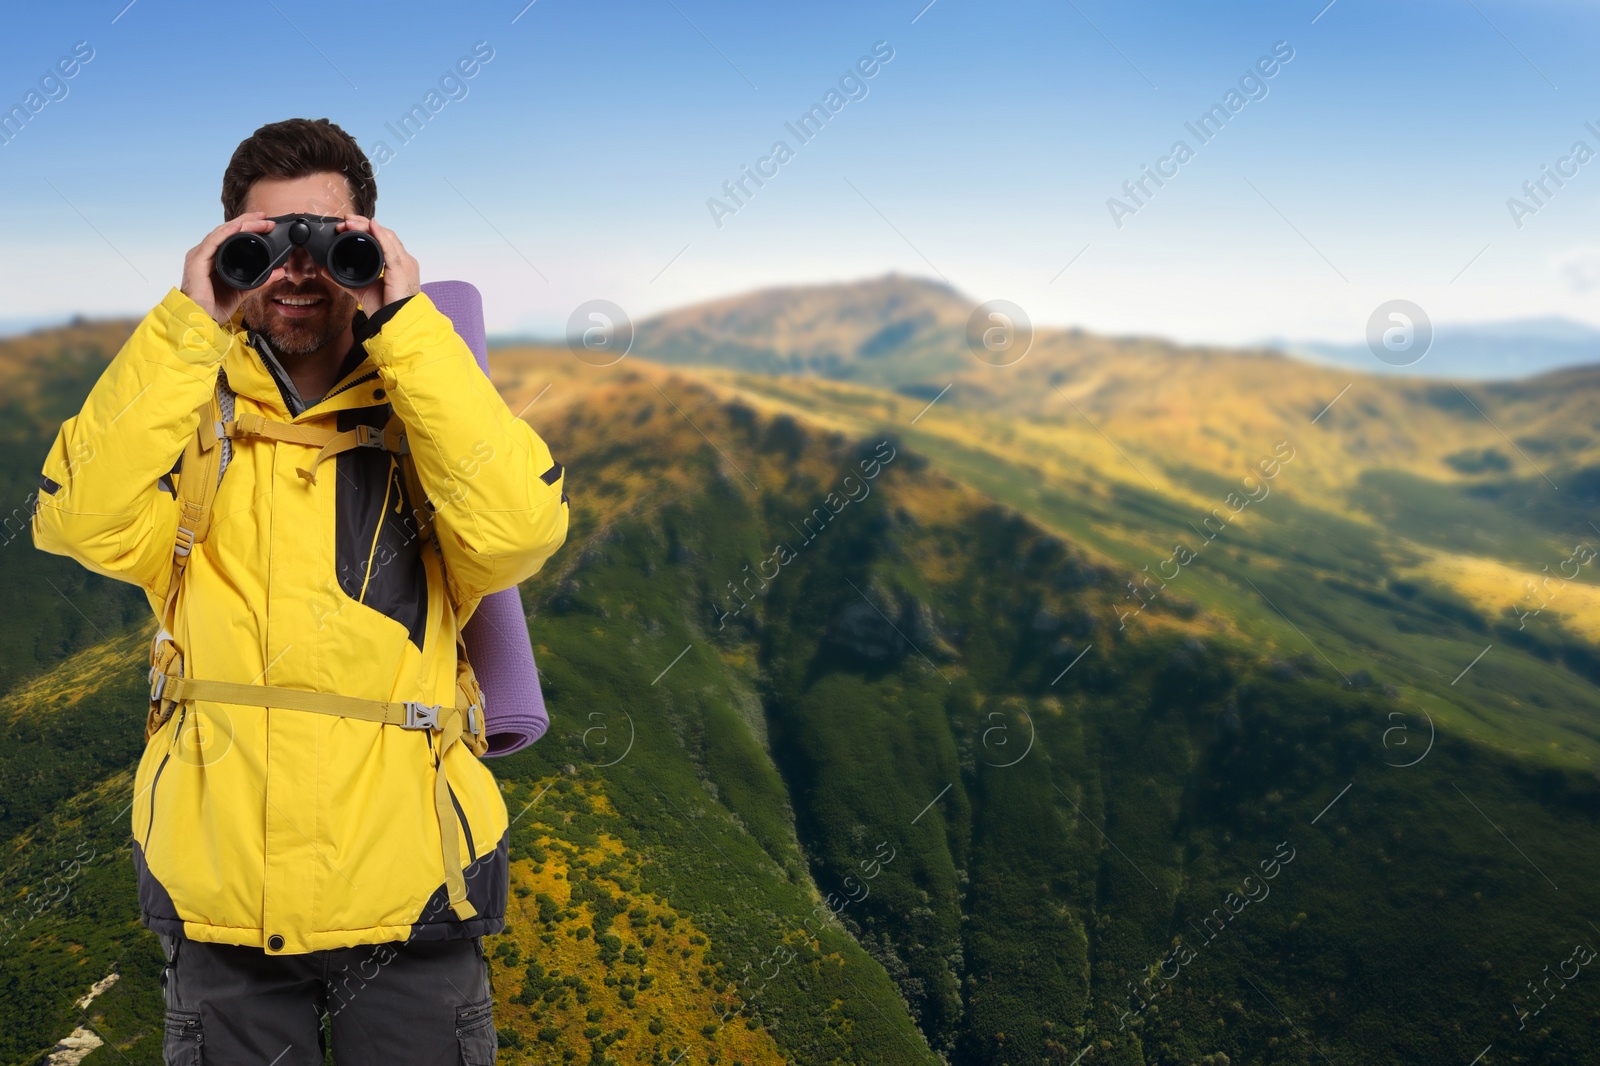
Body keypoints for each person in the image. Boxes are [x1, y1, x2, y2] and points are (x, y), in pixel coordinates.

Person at [32, 117, 569, 1064]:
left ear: (371, 244)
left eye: (327, 240)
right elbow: (76, 515)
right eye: (262, 243)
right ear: (225, 250)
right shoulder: (187, 421)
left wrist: (406, 326)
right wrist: (190, 324)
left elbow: (520, 529)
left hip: (414, 900)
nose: (296, 267)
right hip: (222, 901)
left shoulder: (429, 420)